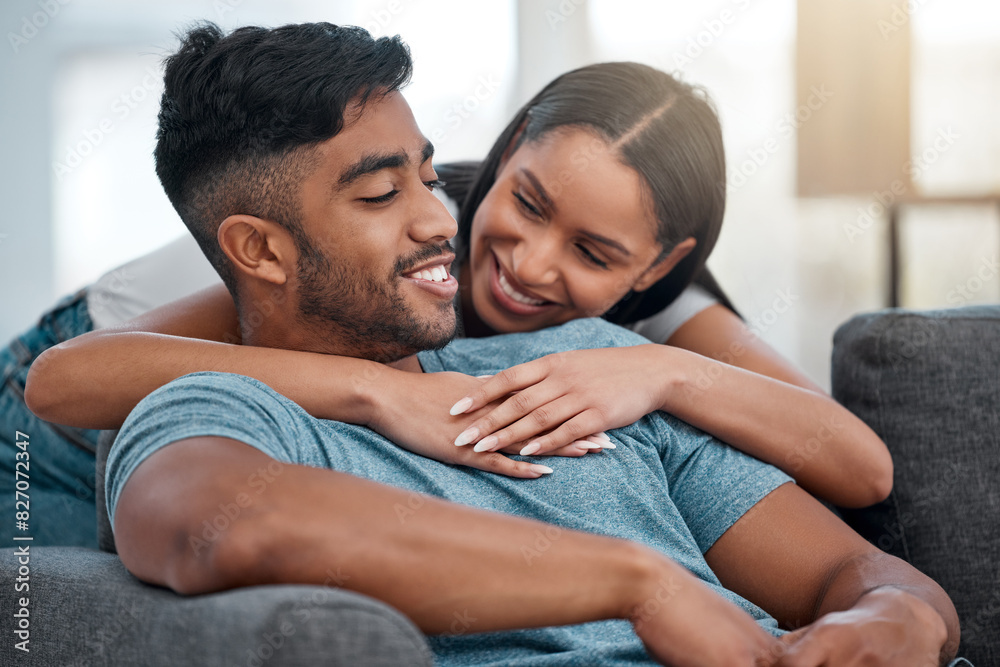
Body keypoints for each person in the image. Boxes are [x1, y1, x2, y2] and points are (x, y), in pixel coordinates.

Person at [102, 21, 960, 666]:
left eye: (432, 179)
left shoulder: (599, 363)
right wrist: (638, 581)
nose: (443, 220)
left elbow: (857, 559)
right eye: (378, 196)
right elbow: (223, 525)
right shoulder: (215, 402)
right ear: (259, 250)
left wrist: (903, 615)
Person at [20, 35, 888, 547]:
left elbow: (862, 466)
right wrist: (383, 390)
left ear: (655, 268)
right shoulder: (355, 252)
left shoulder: (659, 304)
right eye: (527, 203)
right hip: (51, 412)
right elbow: (63, 383)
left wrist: (663, 374)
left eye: (590, 251)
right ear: (506, 151)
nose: (531, 264)